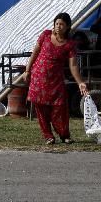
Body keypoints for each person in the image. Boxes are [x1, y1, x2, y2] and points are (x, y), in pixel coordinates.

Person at [25, 13, 89, 145]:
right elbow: (35, 53)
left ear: (67, 27)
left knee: (60, 108)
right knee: (41, 108)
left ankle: (64, 135)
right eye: (57, 23)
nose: (59, 27)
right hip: (39, 78)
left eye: (62, 24)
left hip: (56, 81)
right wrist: (27, 70)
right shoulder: (45, 35)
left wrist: (80, 82)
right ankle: (48, 136)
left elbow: (73, 65)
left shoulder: (69, 45)